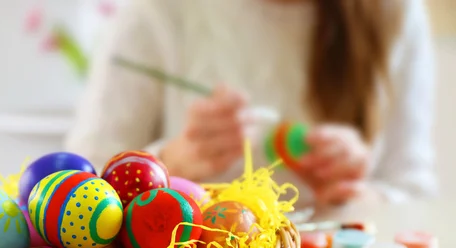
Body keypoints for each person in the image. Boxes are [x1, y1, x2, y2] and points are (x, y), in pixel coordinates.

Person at [65, 0, 437, 208]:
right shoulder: (158, 12)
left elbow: (415, 194)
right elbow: (75, 192)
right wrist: (168, 163)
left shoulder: (395, 13)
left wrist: (360, 196)